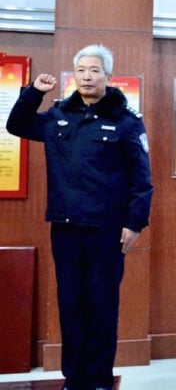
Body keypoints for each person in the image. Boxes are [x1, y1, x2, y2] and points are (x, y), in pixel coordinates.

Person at [6, 44, 153, 390]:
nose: (87, 76)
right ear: (75, 75)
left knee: (102, 304)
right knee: (70, 304)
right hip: (66, 226)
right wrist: (33, 94)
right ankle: (75, 377)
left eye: (95, 70)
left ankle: (99, 377)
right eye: (82, 70)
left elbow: (142, 179)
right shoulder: (59, 115)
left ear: (108, 76)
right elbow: (16, 125)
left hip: (107, 230)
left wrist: (134, 223)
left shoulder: (126, 121)